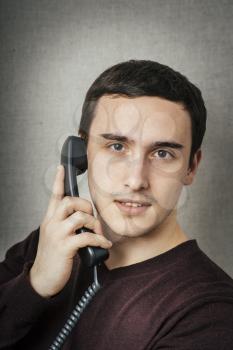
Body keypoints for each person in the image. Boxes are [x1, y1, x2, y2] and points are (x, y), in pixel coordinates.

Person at [0, 60, 233, 350]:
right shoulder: (49, 244)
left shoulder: (211, 313)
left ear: (191, 167)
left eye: (162, 153)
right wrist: (35, 285)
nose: (136, 181)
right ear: (81, 153)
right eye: (117, 146)